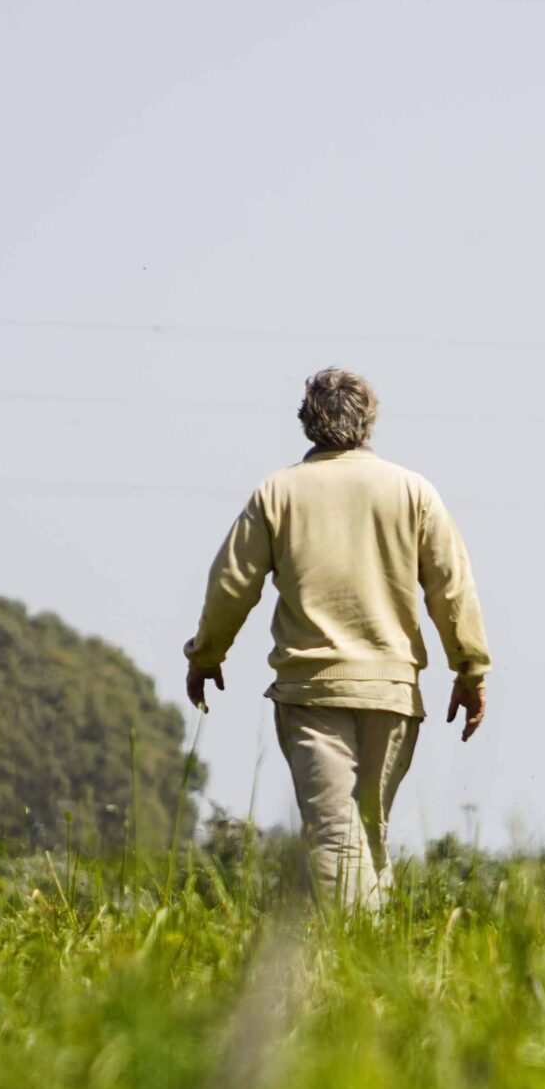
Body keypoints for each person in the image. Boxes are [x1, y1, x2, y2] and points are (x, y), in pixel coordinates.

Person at [184, 368, 490, 907]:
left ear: (308, 421)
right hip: (392, 693)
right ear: (369, 419)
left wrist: (206, 655)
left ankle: (349, 966)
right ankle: (376, 970)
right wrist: (469, 670)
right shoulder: (413, 491)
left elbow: (233, 584)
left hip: (312, 691)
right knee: (366, 836)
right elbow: (452, 587)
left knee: (333, 838)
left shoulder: (277, 492)